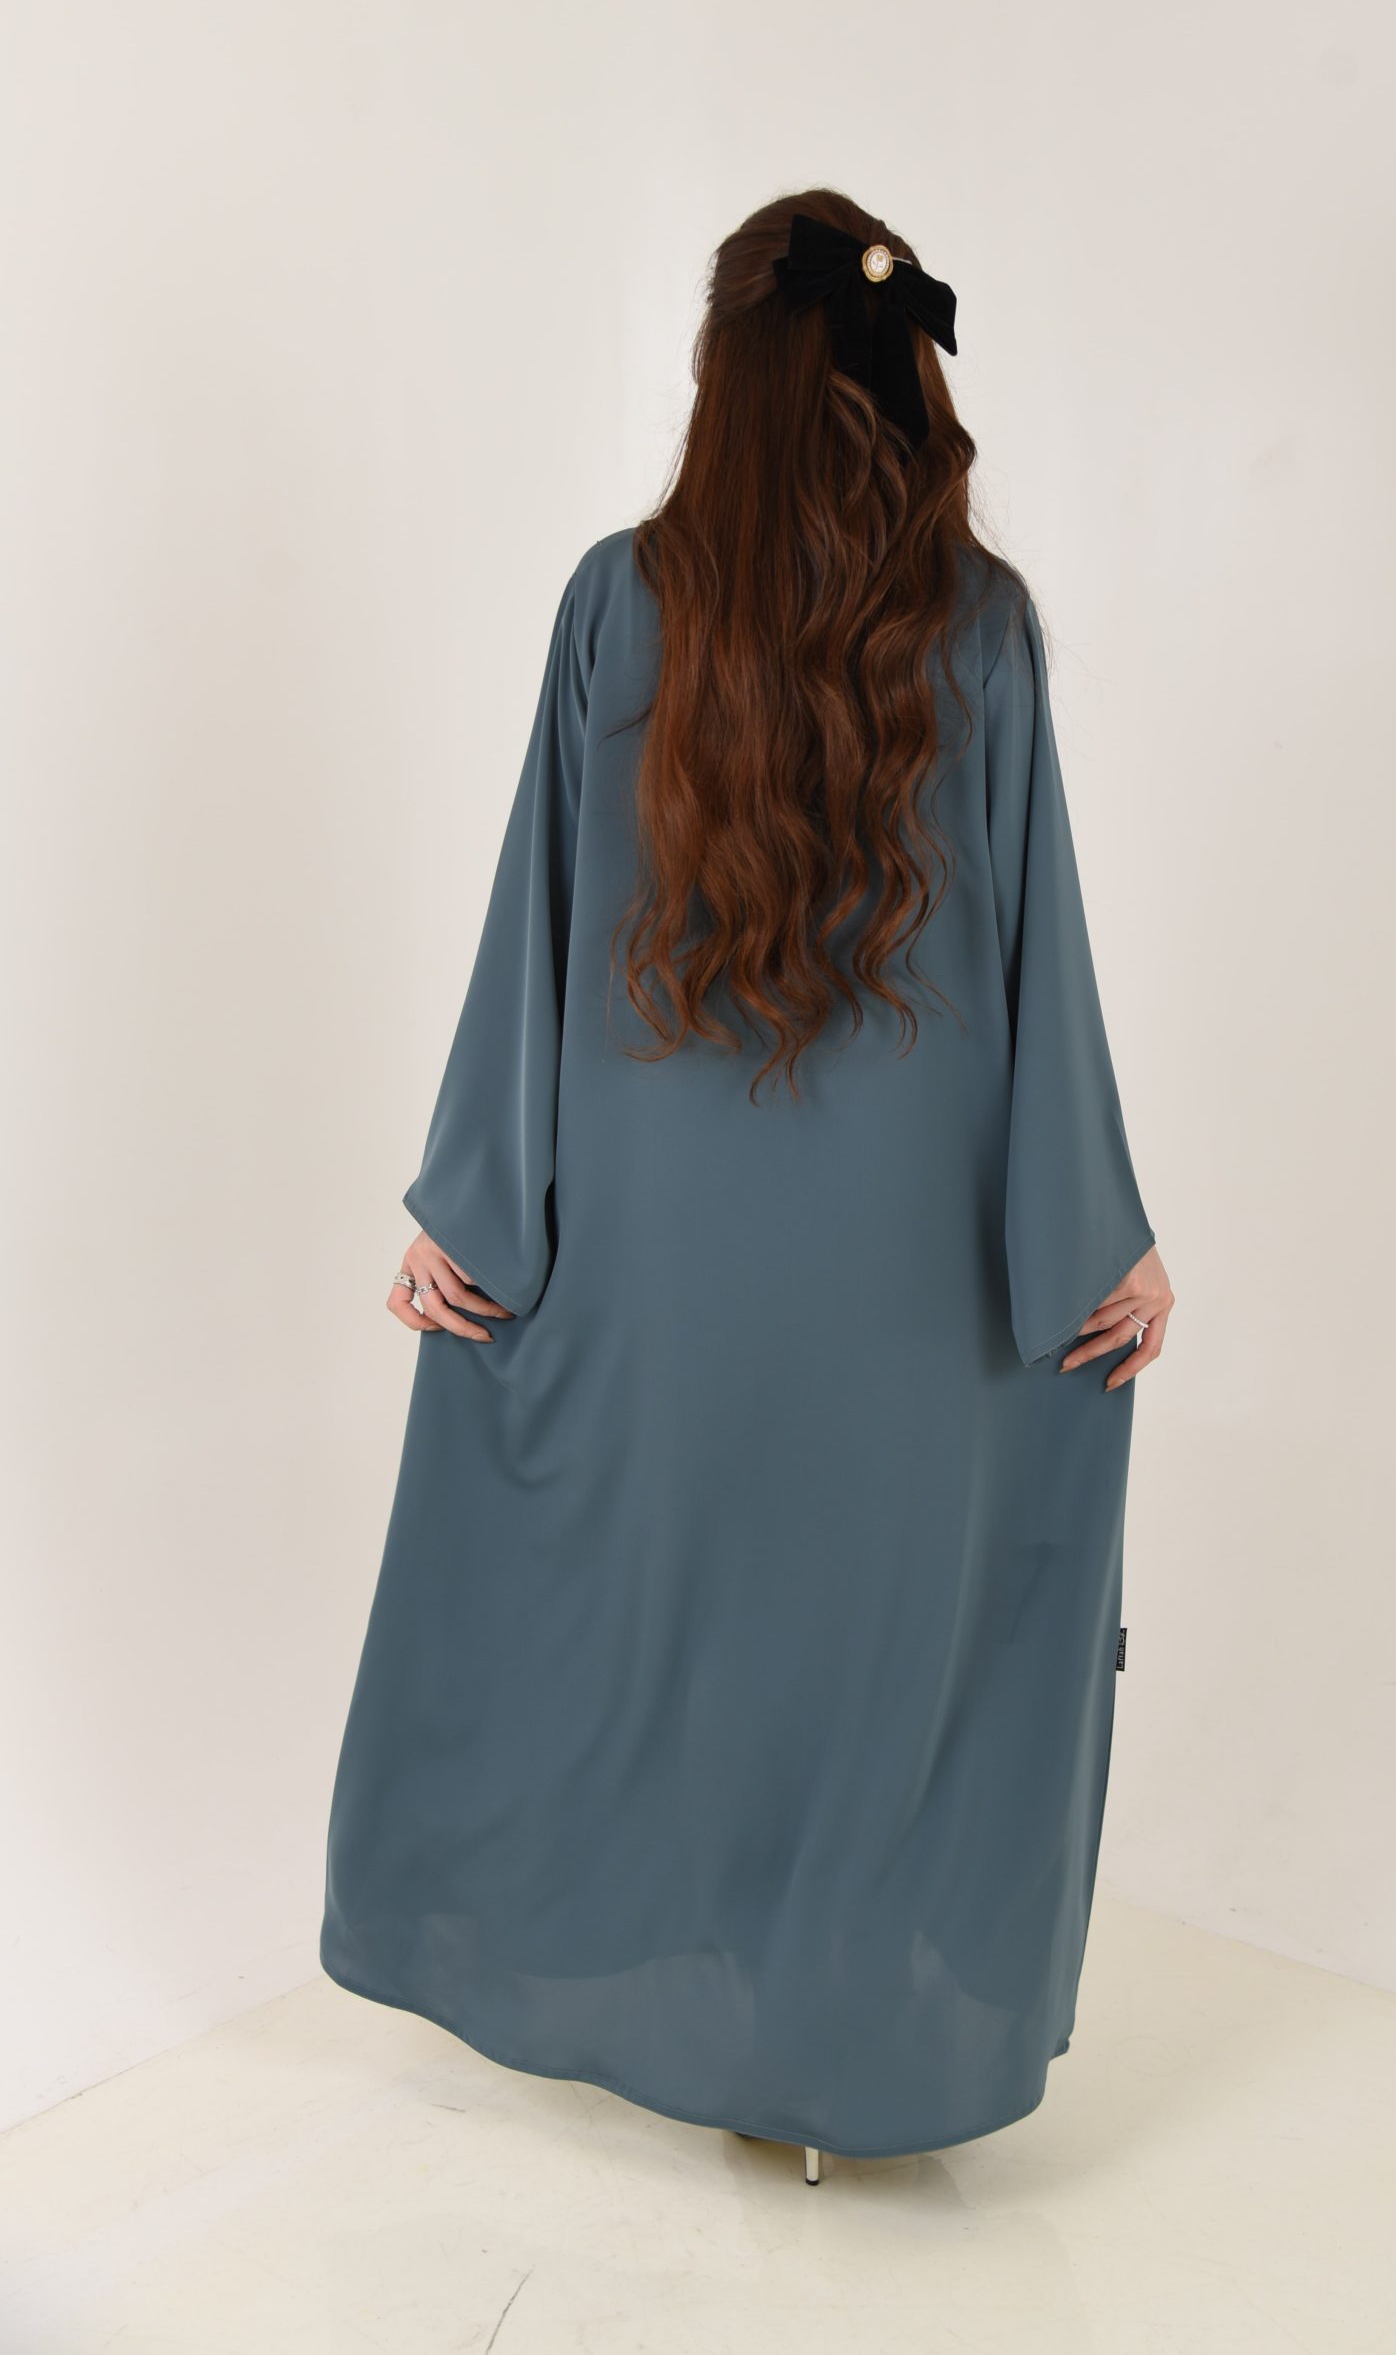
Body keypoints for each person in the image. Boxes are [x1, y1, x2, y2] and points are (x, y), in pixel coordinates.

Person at [320, 186, 1174, 2187]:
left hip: (658, 1237)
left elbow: (538, 915)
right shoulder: (983, 621)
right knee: (877, 1647)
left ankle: (700, 2017)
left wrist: (478, 1200)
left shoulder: (618, 601)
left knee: (669, 1626)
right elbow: (1040, 948)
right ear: (904, 374)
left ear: (725, 369)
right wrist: (1092, 1237)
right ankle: (831, 2063)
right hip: (909, 1245)